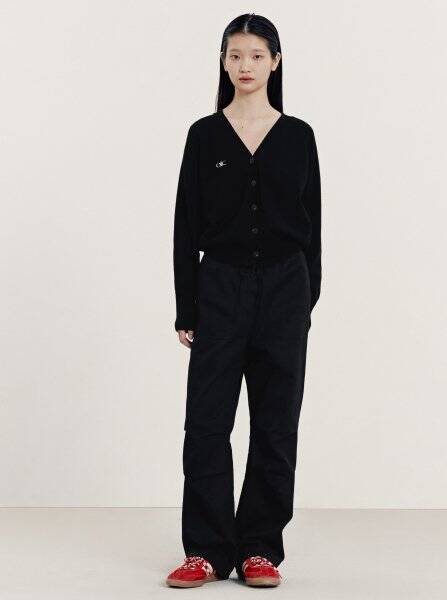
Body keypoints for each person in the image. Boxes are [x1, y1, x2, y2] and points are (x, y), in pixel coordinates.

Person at [166, 12, 322, 588]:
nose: (246, 65)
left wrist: (305, 301)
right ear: (223, 62)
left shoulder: (298, 136)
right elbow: (185, 225)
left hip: (285, 289)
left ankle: (260, 548)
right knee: (207, 422)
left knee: (276, 423)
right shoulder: (204, 135)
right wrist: (188, 306)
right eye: (235, 55)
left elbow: (313, 227)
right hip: (220, 287)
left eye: (257, 55)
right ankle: (206, 550)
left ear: (275, 62)